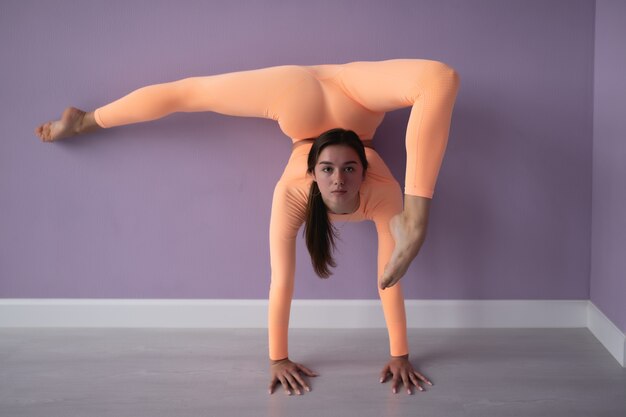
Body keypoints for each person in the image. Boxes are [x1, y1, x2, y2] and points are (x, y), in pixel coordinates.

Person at [35, 59, 460, 396]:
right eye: (328, 170)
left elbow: (389, 280)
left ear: (362, 172)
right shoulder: (296, 193)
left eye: (349, 171)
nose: (339, 180)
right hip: (323, 99)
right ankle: (85, 120)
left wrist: (400, 354)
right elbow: (282, 283)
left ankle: (84, 120)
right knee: (189, 92)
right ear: (315, 174)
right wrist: (278, 359)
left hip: (350, 88)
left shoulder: (380, 193)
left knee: (441, 78)